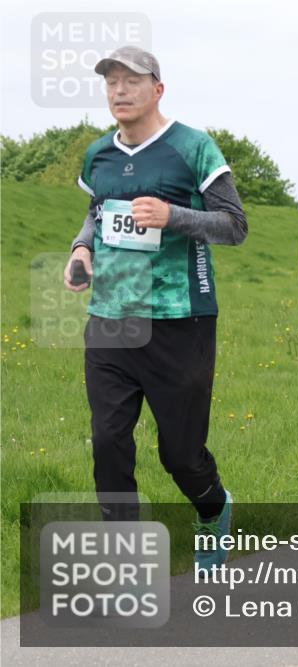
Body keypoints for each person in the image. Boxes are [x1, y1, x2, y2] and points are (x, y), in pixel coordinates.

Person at [62, 46, 248, 569]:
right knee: (108, 441)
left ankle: (213, 508)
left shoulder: (193, 147)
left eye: (132, 81)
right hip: (111, 318)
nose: (119, 90)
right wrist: (82, 248)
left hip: (180, 321)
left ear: (158, 89)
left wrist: (173, 216)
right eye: (112, 82)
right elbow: (97, 212)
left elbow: (235, 225)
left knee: (181, 456)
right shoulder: (98, 154)